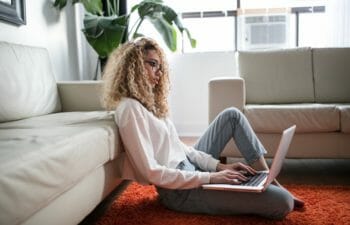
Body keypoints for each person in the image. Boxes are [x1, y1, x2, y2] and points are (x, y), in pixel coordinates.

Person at [101, 37, 304, 220]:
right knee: (283, 202)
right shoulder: (129, 109)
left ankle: (268, 180)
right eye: (152, 64)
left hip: (191, 168)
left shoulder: (149, 104)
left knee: (231, 115)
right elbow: (151, 172)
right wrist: (210, 177)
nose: (159, 72)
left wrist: (218, 167)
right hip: (179, 192)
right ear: (134, 66)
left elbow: (181, 148)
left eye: (160, 66)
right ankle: (268, 187)